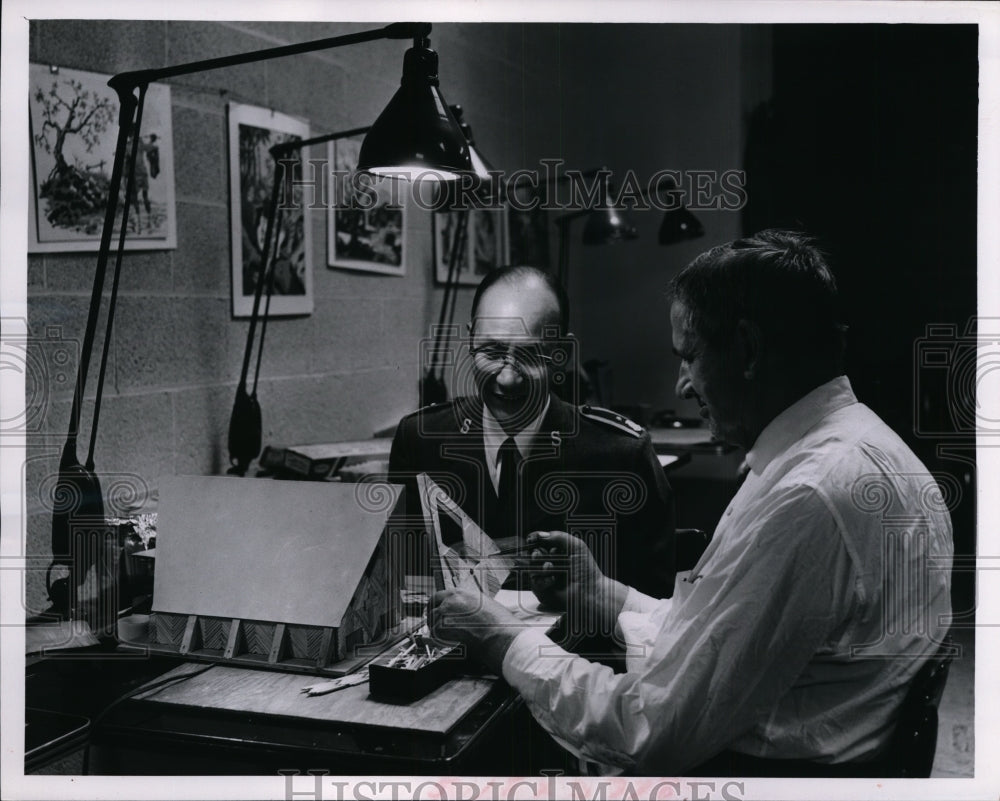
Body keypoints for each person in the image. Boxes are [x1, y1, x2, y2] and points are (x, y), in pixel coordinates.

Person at [427, 231, 954, 775]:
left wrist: (503, 640)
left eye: (690, 357)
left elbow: (649, 728)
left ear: (747, 350)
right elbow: (723, 636)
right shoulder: (858, 446)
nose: (682, 385)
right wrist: (602, 594)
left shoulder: (809, 496)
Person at [389, 265, 676, 600]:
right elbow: (404, 583)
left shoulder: (621, 454)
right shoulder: (420, 441)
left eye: (530, 355)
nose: (507, 378)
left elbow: (653, 611)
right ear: (469, 341)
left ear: (562, 356)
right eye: (492, 352)